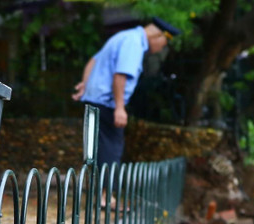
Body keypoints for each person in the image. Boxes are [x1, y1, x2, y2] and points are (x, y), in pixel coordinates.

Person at [72, 18, 180, 166]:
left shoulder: (123, 36)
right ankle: (105, 190)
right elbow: (120, 75)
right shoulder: (134, 43)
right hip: (106, 105)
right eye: (164, 45)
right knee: (110, 153)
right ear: (159, 36)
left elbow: (94, 60)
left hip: (93, 102)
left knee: (95, 153)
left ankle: (96, 189)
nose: (161, 49)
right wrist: (120, 108)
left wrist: (85, 84)